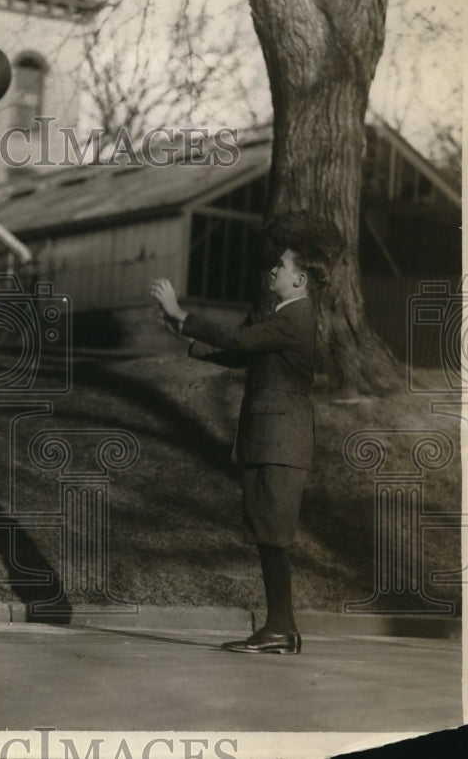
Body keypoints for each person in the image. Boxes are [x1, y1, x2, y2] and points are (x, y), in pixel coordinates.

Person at [150, 242, 328, 655]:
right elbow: (239, 351)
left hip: (279, 442)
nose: (272, 270)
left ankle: (281, 629)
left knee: (273, 535)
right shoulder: (288, 318)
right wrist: (183, 331)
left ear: (298, 279)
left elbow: (238, 337)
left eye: (280, 265)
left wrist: (182, 313)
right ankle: (282, 629)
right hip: (275, 440)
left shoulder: (295, 317)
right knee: (270, 535)